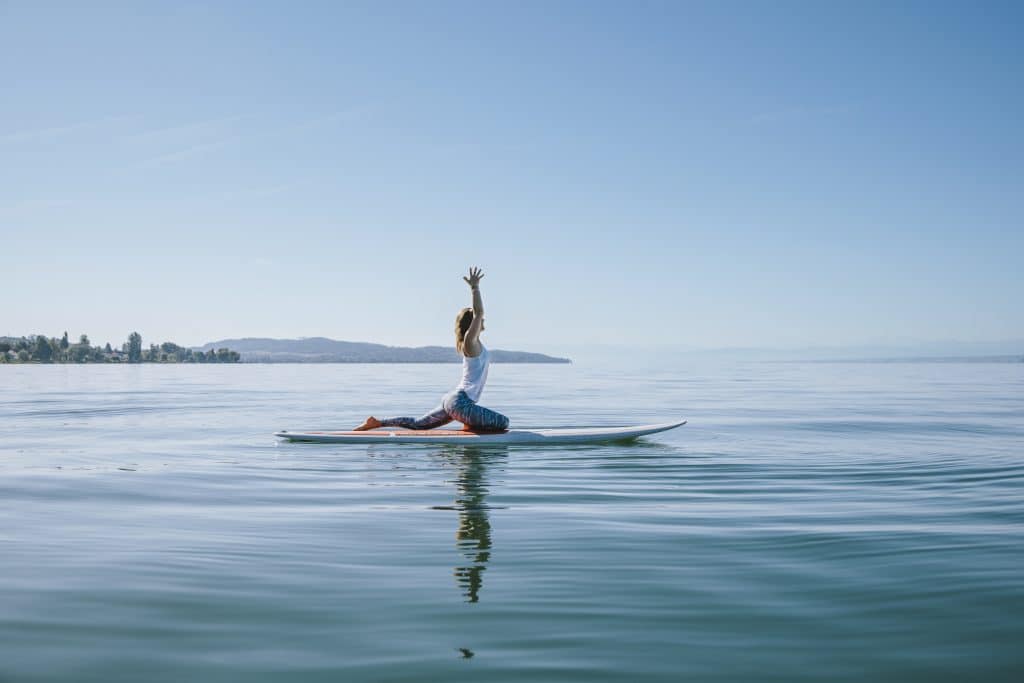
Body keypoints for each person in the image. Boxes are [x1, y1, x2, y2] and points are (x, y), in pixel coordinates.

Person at [353, 267, 510, 433]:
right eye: (479, 320)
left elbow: (478, 315)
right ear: (472, 324)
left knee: (418, 424)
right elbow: (479, 313)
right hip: (460, 403)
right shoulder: (470, 342)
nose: (483, 320)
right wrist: (475, 287)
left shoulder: (474, 343)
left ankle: (377, 422)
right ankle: (471, 425)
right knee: (503, 422)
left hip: (454, 400)